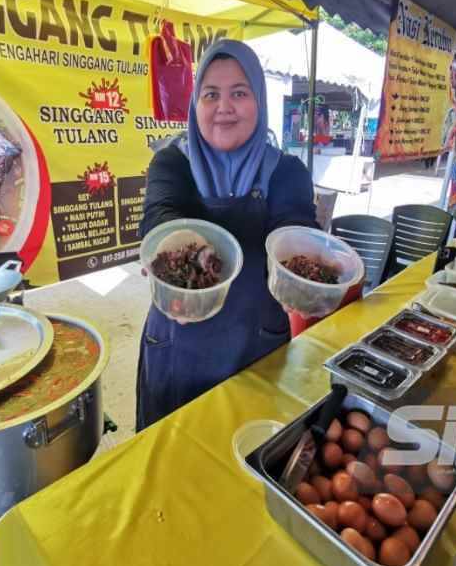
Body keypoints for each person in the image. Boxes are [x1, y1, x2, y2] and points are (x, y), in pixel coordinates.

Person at [135, 40, 318, 431]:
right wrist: (180, 255)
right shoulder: (171, 161)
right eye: (210, 94)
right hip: (177, 343)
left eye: (239, 92)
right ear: (195, 104)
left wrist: (310, 262)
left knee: (246, 459)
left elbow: (294, 228)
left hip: (255, 348)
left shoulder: (286, 171)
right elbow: (160, 215)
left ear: (259, 100)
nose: (224, 107)